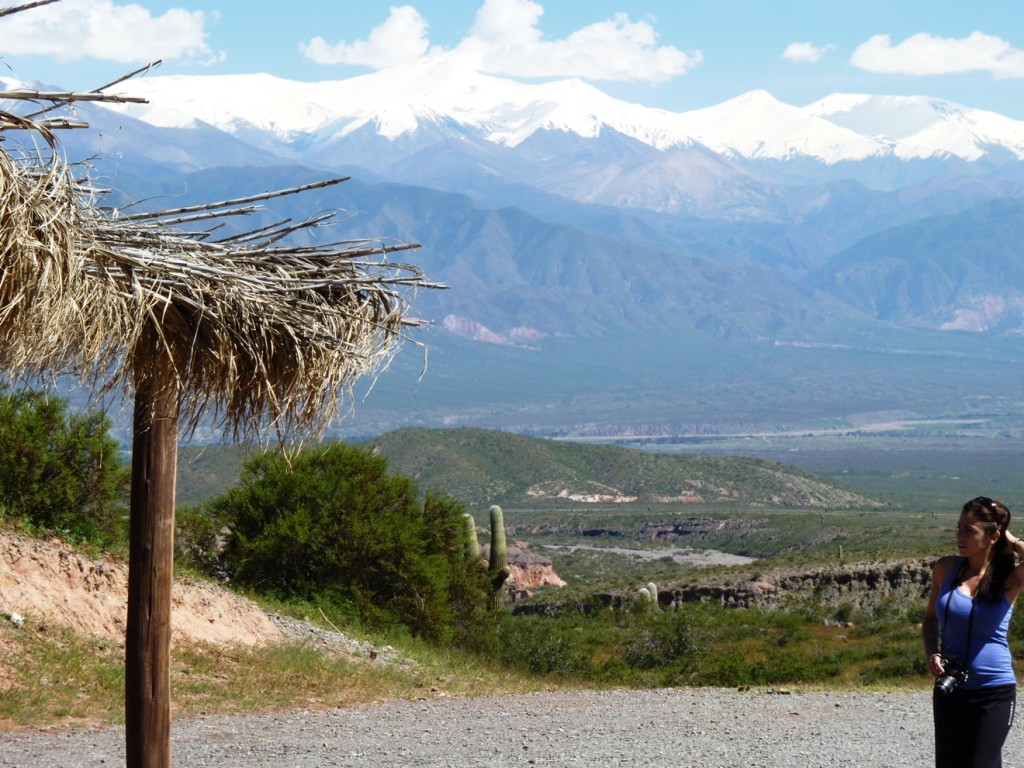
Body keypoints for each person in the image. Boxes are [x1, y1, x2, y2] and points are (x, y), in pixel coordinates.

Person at [922, 496, 1024, 768]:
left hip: (994, 691)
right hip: (951, 688)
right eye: (958, 528)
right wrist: (932, 652)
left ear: (992, 536)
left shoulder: (1010, 577)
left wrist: (1012, 541)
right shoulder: (946, 568)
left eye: (969, 530)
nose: (959, 536)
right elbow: (931, 620)